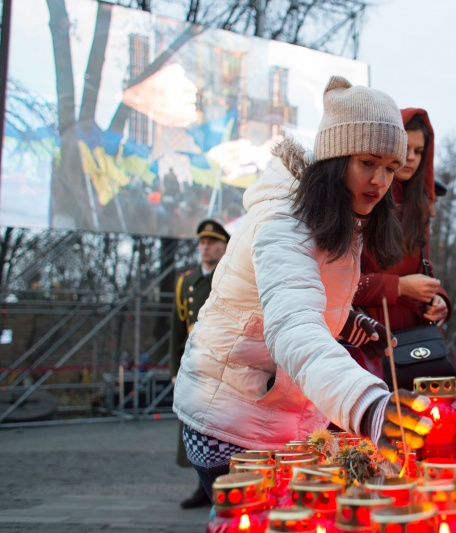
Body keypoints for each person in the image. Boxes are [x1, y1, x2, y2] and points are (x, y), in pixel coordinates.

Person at [172, 76, 433, 499]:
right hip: (231, 420)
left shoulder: (339, 215)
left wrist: (350, 324)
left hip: (277, 416)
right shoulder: (283, 223)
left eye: (389, 167)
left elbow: (303, 299)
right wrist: (370, 406)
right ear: (337, 158)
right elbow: (292, 325)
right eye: (368, 162)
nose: (380, 181)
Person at [351, 108, 451, 377]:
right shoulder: (363, 198)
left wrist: (439, 300)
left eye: (419, 152)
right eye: (405, 147)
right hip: (368, 342)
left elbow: (425, 270)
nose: (411, 158)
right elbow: (339, 284)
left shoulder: (419, 205)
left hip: (417, 342)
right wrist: (400, 287)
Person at [169, 219, 229, 509]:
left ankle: (219, 483)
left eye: (212, 242)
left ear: (225, 246)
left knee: (221, 425)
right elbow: (178, 330)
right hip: (194, 361)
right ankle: (202, 484)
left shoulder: (230, 276)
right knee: (194, 424)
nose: (205, 247)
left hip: (222, 359)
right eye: (202, 242)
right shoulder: (186, 282)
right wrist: (173, 370)